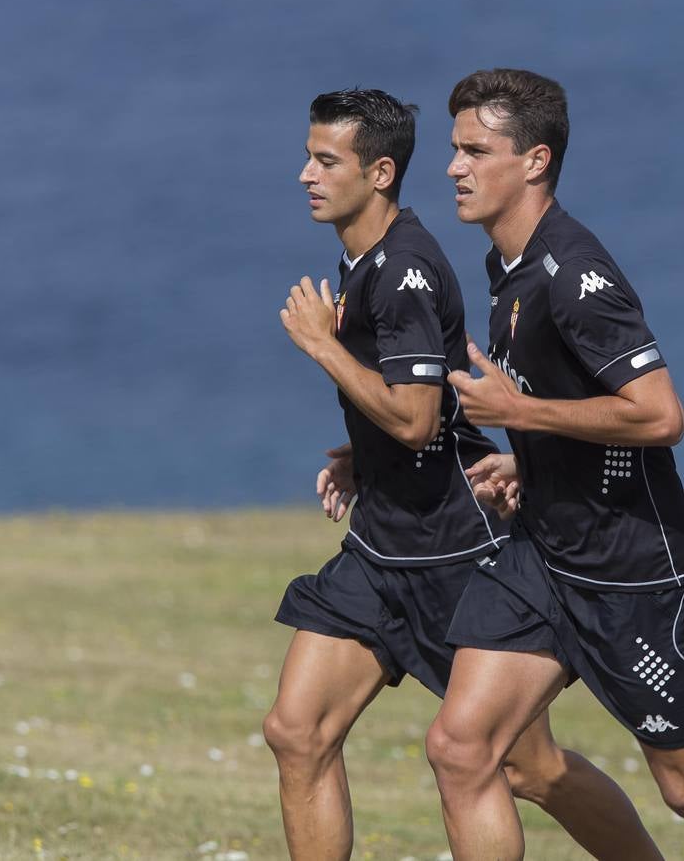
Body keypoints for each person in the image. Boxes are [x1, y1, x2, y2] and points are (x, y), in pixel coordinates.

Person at [423, 68, 684, 861]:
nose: (453, 168)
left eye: (474, 150)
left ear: (534, 160)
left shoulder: (575, 275)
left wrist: (520, 416)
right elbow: (567, 401)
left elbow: (660, 414)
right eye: (453, 149)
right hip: (545, 553)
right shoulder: (506, 267)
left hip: (635, 572)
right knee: (465, 749)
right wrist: (527, 458)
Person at [263, 88, 660, 861]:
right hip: (383, 550)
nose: (304, 174)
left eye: (324, 160)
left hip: (456, 552)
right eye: (308, 156)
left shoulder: (404, 270)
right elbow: (421, 409)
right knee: (296, 731)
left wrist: (321, 346)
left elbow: (412, 417)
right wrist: (363, 455)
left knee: (526, 767)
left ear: (379, 173)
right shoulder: (361, 261)